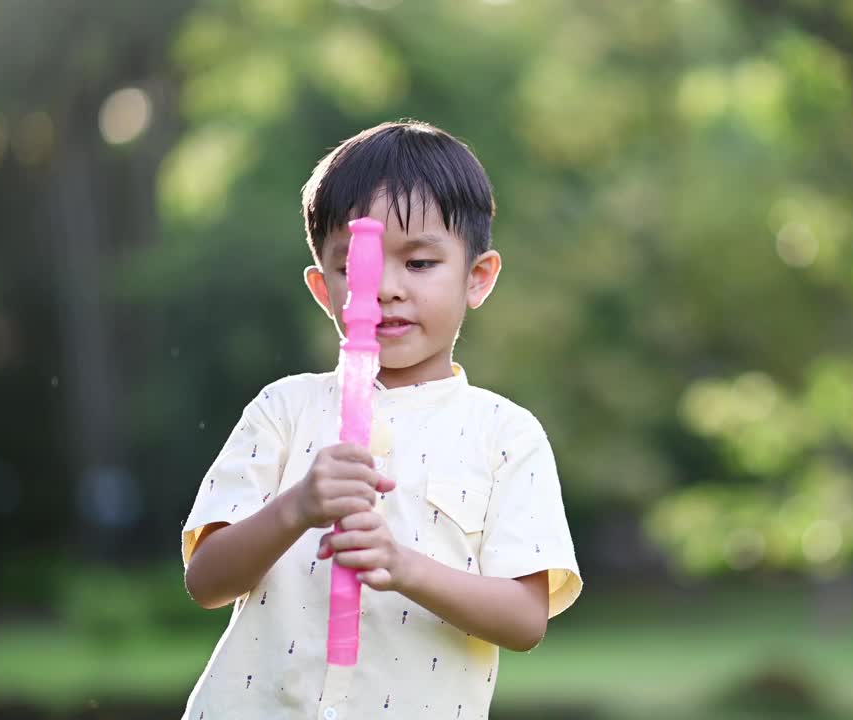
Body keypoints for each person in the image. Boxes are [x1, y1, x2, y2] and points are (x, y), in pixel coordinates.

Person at [178, 120, 582, 719]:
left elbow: (524, 621)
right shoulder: (283, 411)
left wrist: (404, 566)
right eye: (355, 265)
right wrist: (298, 506)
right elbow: (206, 581)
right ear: (323, 288)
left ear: (478, 277)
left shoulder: (506, 435)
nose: (385, 288)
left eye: (419, 263)